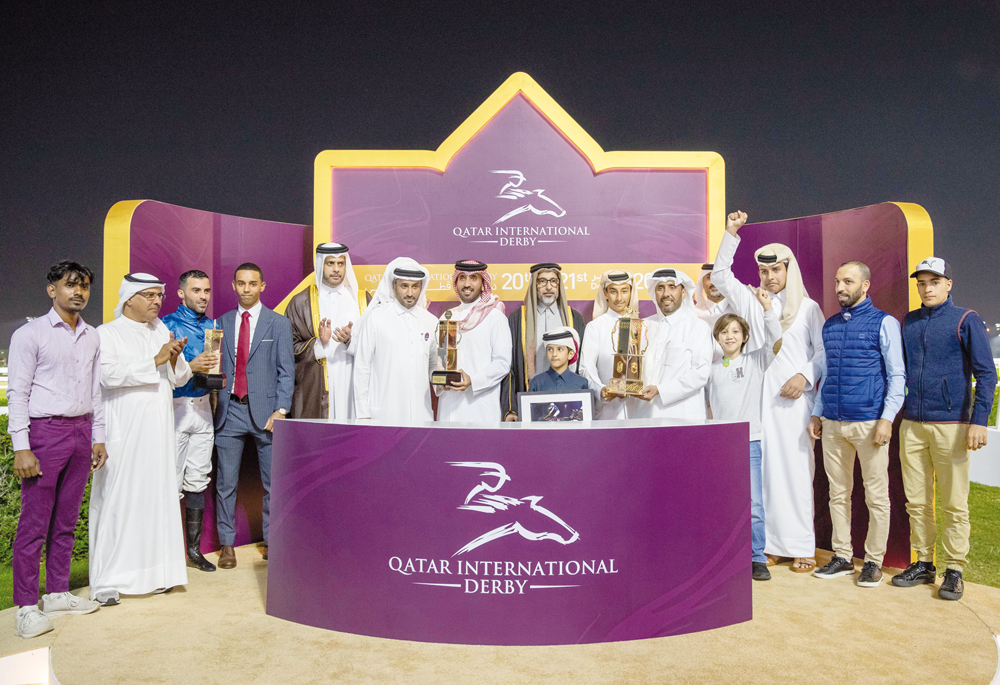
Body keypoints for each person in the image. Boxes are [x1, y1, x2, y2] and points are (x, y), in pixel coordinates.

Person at [713, 211, 826, 573]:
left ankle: (802, 546)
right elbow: (720, 277)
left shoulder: (808, 308)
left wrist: (804, 376)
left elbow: (822, 353)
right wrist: (731, 233)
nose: (770, 277)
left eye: (776, 269)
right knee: (766, 478)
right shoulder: (751, 303)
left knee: (797, 473)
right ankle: (771, 546)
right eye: (764, 271)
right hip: (759, 405)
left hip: (795, 404)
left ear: (789, 270)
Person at [8, 261, 106, 638]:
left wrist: (98, 436)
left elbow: (95, 392)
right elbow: (18, 393)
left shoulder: (92, 336)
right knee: (34, 523)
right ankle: (26, 607)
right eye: (70, 285)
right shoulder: (29, 334)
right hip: (45, 433)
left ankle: (57, 593)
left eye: (84, 286)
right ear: (52, 290)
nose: (78, 292)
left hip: (81, 431)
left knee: (66, 521)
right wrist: (22, 446)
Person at [889, 257, 996, 601]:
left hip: (952, 425)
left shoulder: (966, 319)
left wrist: (979, 421)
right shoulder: (909, 321)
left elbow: (987, 374)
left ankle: (954, 570)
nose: (927, 288)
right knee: (917, 502)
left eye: (934, 281)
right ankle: (924, 563)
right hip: (912, 424)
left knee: (953, 503)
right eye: (921, 283)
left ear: (948, 284)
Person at [89, 273, 191, 605]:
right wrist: (155, 359)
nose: (157, 301)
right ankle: (109, 579)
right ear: (129, 298)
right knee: (118, 501)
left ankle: (156, 574)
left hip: (158, 434)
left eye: (159, 296)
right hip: (123, 433)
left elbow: (180, 378)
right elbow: (107, 376)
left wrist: (172, 357)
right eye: (149, 295)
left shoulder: (161, 330)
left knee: (155, 500)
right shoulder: (107, 333)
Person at [808, 262, 905, 587]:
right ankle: (843, 557)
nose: (840, 287)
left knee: (876, 497)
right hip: (833, 424)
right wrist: (817, 413)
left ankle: (873, 562)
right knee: (838, 494)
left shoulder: (884, 323)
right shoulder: (831, 326)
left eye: (848, 281)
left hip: (870, 423)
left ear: (865, 286)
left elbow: (897, 375)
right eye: (838, 281)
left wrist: (887, 419)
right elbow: (827, 375)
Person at [213, 263, 294, 569]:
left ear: (262, 286)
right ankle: (226, 544)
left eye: (252, 283)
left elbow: (287, 371)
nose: (246, 289)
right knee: (225, 483)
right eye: (241, 283)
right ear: (234, 285)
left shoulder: (278, 323)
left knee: (273, 484)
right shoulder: (221, 322)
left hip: (267, 414)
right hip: (229, 411)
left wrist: (281, 410)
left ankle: (273, 541)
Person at [705, 286, 783, 582]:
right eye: (724, 332)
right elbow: (707, 407)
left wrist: (767, 309)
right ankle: (725, 557)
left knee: (754, 504)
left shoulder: (755, 362)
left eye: (735, 332)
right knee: (721, 503)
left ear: (745, 337)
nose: (730, 336)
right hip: (719, 445)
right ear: (717, 337)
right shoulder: (711, 369)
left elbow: (775, 342)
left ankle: (757, 557)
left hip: (749, 443)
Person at [161, 270, 223, 573]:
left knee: (198, 479)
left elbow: (213, 370)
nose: (203, 296)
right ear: (181, 293)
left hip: (203, 409)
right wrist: (192, 366)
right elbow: (159, 374)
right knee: (170, 481)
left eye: (207, 290)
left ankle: (194, 552)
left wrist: (217, 380)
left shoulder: (214, 326)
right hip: (175, 408)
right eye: (196, 290)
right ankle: (167, 555)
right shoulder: (165, 326)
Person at [352, 258, 438, 423]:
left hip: (421, 414)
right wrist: (362, 413)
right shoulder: (376, 318)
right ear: (393, 286)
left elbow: (434, 365)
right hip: (384, 414)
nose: (410, 293)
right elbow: (362, 366)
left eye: (415, 286)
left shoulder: (431, 321)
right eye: (404, 286)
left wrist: (443, 383)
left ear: (421, 287)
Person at [285, 243, 362, 420]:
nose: (336, 269)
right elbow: (288, 350)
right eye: (330, 263)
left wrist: (350, 341)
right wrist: (320, 344)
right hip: (315, 387)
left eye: (340, 263)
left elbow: (377, 347)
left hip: (351, 384)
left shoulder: (361, 301)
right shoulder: (300, 303)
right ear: (320, 265)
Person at [499, 263, 586, 420]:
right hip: (530, 399)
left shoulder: (574, 318)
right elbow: (508, 367)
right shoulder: (518, 319)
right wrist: (511, 408)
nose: (548, 287)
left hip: (568, 404)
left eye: (553, 281)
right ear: (534, 285)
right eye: (542, 281)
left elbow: (581, 367)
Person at [436, 260, 512, 423]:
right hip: (449, 408)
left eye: (473, 278)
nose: (467, 284)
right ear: (456, 281)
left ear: (483, 282)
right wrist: (441, 382)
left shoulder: (495, 317)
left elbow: (502, 363)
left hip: (480, 409)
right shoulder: (448, 316)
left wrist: (473, 380)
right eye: (462, 278)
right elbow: (441, 358)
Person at [633, 268, 713, 420]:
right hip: (644, 414)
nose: (666, 294)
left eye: (672, 287)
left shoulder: (697, 327)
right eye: (660, 288)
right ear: (654, 293)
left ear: (683, 293)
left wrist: (661, 390)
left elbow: (701, 373)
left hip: (682, 416)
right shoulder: (642, 326)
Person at [579, 270, 641, 419]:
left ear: (631, 292)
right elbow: (586, 367)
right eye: (613, 291)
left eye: (624, 291)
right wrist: (601, 390)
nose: (619, 298)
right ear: (605, 293)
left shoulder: (642, 327)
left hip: (639, 411)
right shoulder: (595, 327)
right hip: (608, 411)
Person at [528, 327, 590, 392]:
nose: (554, 354)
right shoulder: (536, 383)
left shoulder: (581, 383)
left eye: (560, 349)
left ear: (570, 354)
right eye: (550, 349)